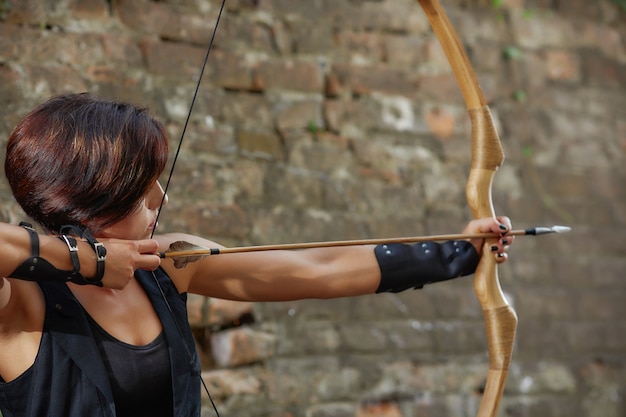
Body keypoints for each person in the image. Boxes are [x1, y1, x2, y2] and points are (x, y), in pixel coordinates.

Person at [0, 93, 514, 417]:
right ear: (93, 196)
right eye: (141, 190)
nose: (160, 200)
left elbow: (318, 267)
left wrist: (459, 252)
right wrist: (85, 262)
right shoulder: (19, 303)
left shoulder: (166, 264)